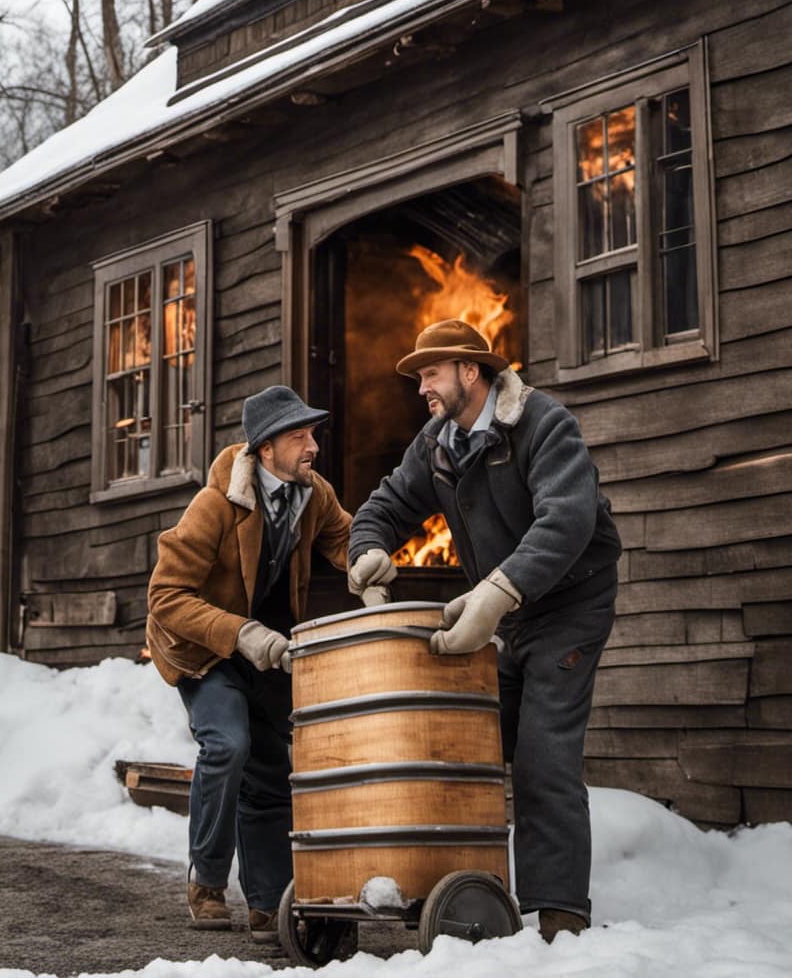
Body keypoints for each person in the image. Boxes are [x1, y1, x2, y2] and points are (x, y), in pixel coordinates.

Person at [347, 319, 621, 943]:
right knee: (465, 745)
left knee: (543, 756)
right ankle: (465, 895)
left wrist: (496, 593)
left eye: (431, 373)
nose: (421, 388)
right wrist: (368, 549)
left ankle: (558, 922)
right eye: (418, 377)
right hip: (507, 612)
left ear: (471, 371)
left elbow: (568, 520)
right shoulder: (437, 443)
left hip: (569, 603)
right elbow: (386, 505)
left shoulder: (543, 423)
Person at [146, 385, 351, 942]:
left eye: (313, 434)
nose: (312, 446)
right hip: (204, 649)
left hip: (266, 651)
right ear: (265, 449)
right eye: (298, 436)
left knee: (268, 762)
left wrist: (368, 562)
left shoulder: (314, 493)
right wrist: (241, 633)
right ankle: (207, 881)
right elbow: (165, 597)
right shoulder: (215, 505)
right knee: (228, 744)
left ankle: (266, 901)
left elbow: (345, 539)